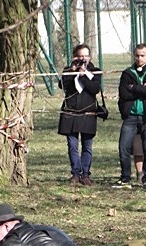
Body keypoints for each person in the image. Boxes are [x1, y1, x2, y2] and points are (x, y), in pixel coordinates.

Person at [113, 43, 146, 189]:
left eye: (142, 55)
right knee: (123, 148)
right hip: (131, 118)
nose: (139, 58)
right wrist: (143, 89)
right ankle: (125, 178)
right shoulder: (127, 73)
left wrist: (134, 88)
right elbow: (124, 93)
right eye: (137, 55)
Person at [58, 43, 101, 186]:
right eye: (79, 56)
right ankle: (75, 173)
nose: (82, 59)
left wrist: (83, 76)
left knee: (87, 146)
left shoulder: (95, 71)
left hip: (88, 113)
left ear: (89, 57)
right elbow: (63, 86)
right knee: (72, 145)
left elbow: (95, 89)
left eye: (85, 56)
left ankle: (85, 174)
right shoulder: (68, 71)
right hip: (70, 114)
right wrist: (73, 71)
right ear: (74, 57)